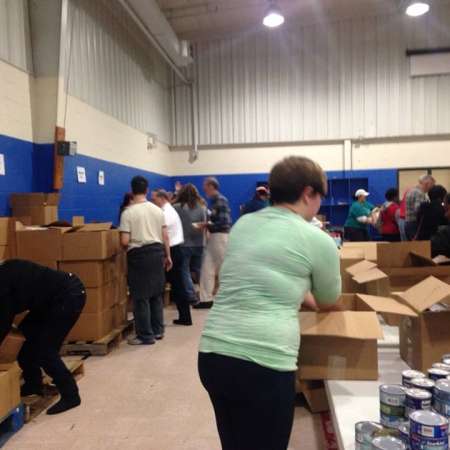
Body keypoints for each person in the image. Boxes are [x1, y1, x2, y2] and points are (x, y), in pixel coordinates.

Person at [198, 156, 341, 450]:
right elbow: (328, 301)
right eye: (320, 197)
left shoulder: (244, 224)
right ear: (307, 193)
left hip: (214, 353)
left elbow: (252, 273)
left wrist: (296, 288)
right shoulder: (317, 239)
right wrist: (309, 295)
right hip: (265, 362)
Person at [0, 260, 86, 415]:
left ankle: (71, 395)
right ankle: (33, 385)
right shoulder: (5, 272)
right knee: (24, 336)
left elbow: (4, 323)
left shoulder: (3, 282)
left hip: (68, 296)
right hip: (48, 302)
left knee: (45, 350)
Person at [120, 176, 172, 345]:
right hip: (157, 253)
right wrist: (168, 255)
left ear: (132, 189)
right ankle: (158, 330)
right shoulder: (158, 210)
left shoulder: (128, 213)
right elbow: (165, 235)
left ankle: (145, 335)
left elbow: (125, 241)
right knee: (156, 293)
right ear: (147, 190)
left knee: (140, 296)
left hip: (139, 256)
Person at [152, 189, 190, 326]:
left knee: (175, 286)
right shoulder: (170, 210)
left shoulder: (166, 213)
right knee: (177, 285)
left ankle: (184, 317)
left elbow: (165, 235)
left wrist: (167, 256)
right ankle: (184, 316)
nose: (153, 201)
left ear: (162, 198)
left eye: (154, 198)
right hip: (176, 249)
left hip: (172, 251)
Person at [194, 177, 232, 310]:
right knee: (206, 268)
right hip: (215, 237)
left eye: (205, 186)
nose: (204, 188)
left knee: (223, 268)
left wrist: (206, 224)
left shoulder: (220, 200)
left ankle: (229, 298)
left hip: (220, 236)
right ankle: (206, 299)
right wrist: (208, 225)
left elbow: (225, 222)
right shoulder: (214, 201)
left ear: (211, 186)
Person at [173, 184, 207, 307]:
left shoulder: (177, 207)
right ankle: (204, 295)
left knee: (185, 270)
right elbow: (205, 224)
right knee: (200, 270)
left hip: (184, 243)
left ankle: (190, 295)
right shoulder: (202, 206)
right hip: (199, 242)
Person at [405, 174, 436, 240]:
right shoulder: (419, 193)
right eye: (432, 185)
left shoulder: (411, 190)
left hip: (408, 223)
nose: (432, 188)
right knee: (418, 247)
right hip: (415, 224)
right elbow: (418, 209)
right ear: (426, 183)